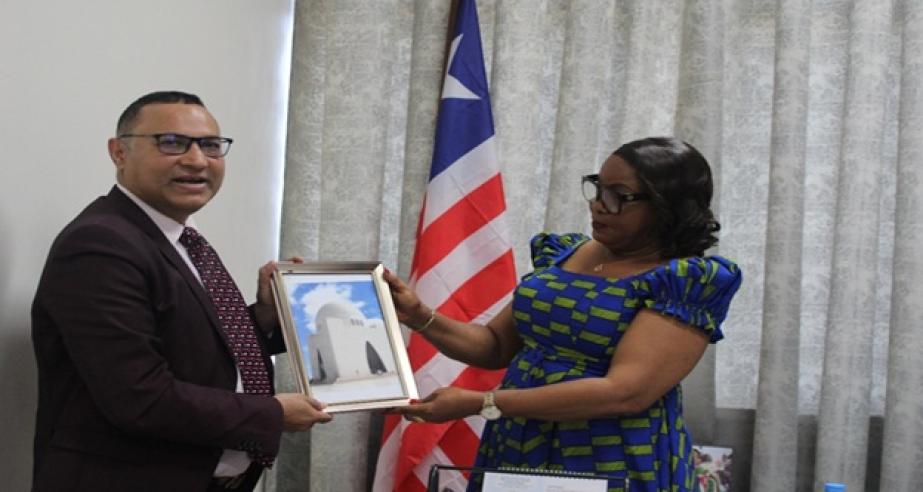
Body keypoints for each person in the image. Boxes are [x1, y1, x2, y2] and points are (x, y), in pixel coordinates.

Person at [386, 137, 742, 492]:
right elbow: (494, 345)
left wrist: (484, 402)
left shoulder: (684, 281)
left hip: (610, 456)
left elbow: (624, 392)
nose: (599, 206)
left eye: (619, 196)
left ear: (667, 206)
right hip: (518, 444)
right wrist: (419, 316)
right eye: (598, 188)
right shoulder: (566, 253)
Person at [31, 91, 332, 492]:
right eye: (171, 143)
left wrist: (262, 317)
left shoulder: (176, 238)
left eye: (210, 145)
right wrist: (271, 414)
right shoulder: (100, 244)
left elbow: (191, 349)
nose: (196, 160)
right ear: (119, 152)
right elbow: (140, 398)